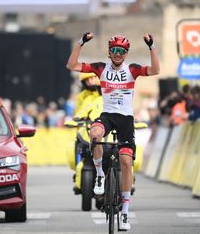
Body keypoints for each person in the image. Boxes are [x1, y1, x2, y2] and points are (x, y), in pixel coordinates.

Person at [66, 32, 160, 230]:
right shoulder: (100, 68)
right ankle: (100, 174)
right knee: (95, 134)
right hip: (107, 115)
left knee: (126, 162)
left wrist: (152, 47)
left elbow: (155, 70)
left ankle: (124, 213)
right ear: (109, 52)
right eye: (114, 50)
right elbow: (72, 66)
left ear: (126, 54)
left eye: (121, 51)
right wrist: (81, 42)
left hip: (125, 119)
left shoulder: (132, 70)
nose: (117, 54)